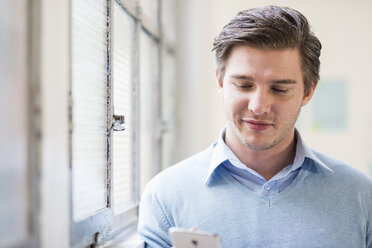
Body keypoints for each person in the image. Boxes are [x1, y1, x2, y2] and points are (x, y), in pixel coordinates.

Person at [138, 5, 372, 248]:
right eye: (243, 85)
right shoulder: (166, 196)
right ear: (220, 81)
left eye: (279, 89)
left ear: (308, 91)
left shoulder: (360, 196)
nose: (259, 106)